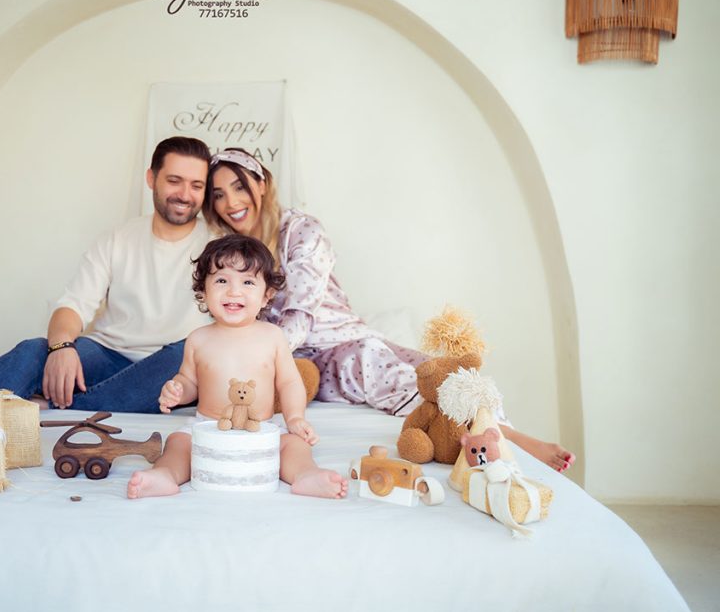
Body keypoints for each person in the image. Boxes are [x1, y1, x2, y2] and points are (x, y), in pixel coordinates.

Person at [204, 149, 575, 473]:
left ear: (262, 184)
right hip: (298, 363)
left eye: (239, 187)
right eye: (218, 195)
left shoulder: (302, 231)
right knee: (362, 366)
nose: (230, 202)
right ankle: (490, 436)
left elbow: (301, 312)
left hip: (336, 340)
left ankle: (502, 432)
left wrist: (257, 356)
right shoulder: (230, 251)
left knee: (431, 371)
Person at [0, 136, 213, 412]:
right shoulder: (118, 239)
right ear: (151, 178)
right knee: (35, 349)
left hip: (169, 368)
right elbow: (73, 305)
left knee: (186, 353)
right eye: (174, 181)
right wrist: (61, 347)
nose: (185, 194)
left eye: (196, 185)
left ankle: (53, 407)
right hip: (109, 354)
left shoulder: (217, 245)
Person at [127, 234, 348, 499]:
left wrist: (295, 418)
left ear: (267, 296)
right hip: (208, 427)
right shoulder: (198, 339)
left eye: (247, 282)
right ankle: (165, 475)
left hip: (262, 427)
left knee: (294, 445)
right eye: (221, 281)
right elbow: (190, 381)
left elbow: (289, 382)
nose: (234, 291)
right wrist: (177, 390)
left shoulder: (272, 336)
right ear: (203, 291)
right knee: (178, 443)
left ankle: (305, 475)